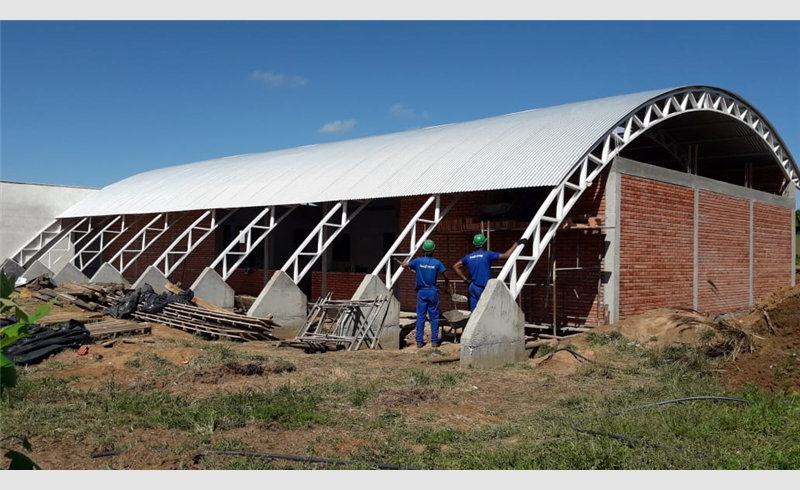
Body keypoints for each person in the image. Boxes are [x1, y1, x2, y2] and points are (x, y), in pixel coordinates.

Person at [453, 233, 528, 311]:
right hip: (482, 287)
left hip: (472, 287)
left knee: (474, 313)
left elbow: (455, 266)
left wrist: (465, 280)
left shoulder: (468, 257)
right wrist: (517, 243)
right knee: (486, 311)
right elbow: (506, 255)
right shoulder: (487, 254)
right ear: (484, 243)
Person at [401, 239, 451, 348]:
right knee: (434, 317)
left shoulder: (418, 261)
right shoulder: (437, 263)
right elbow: (446, 275)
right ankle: (434, 342)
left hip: (422, 292)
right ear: (434, 250)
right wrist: (446, 283)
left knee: (421, 317)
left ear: (424, 250)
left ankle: (419, 342)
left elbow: (405, 265)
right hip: (433, 292)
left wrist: (405, 264)